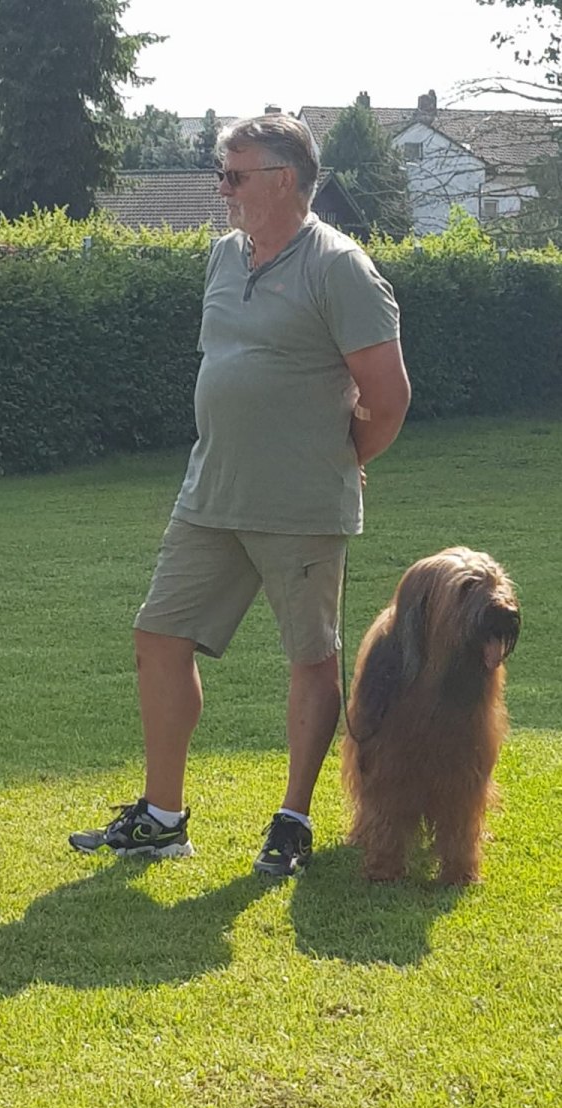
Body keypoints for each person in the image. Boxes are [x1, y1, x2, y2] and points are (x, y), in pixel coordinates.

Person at [69, 115, 410, 875]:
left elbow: (388, 399)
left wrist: (337, 461)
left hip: (301, 506)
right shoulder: (224, 256)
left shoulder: (340, 267)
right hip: (210, 494)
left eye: (234, 175)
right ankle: (163, 818)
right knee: (159, 637)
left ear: (283, 180)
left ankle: (293, 820)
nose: (221, 189)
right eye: (221, 174)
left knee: (310, 658)